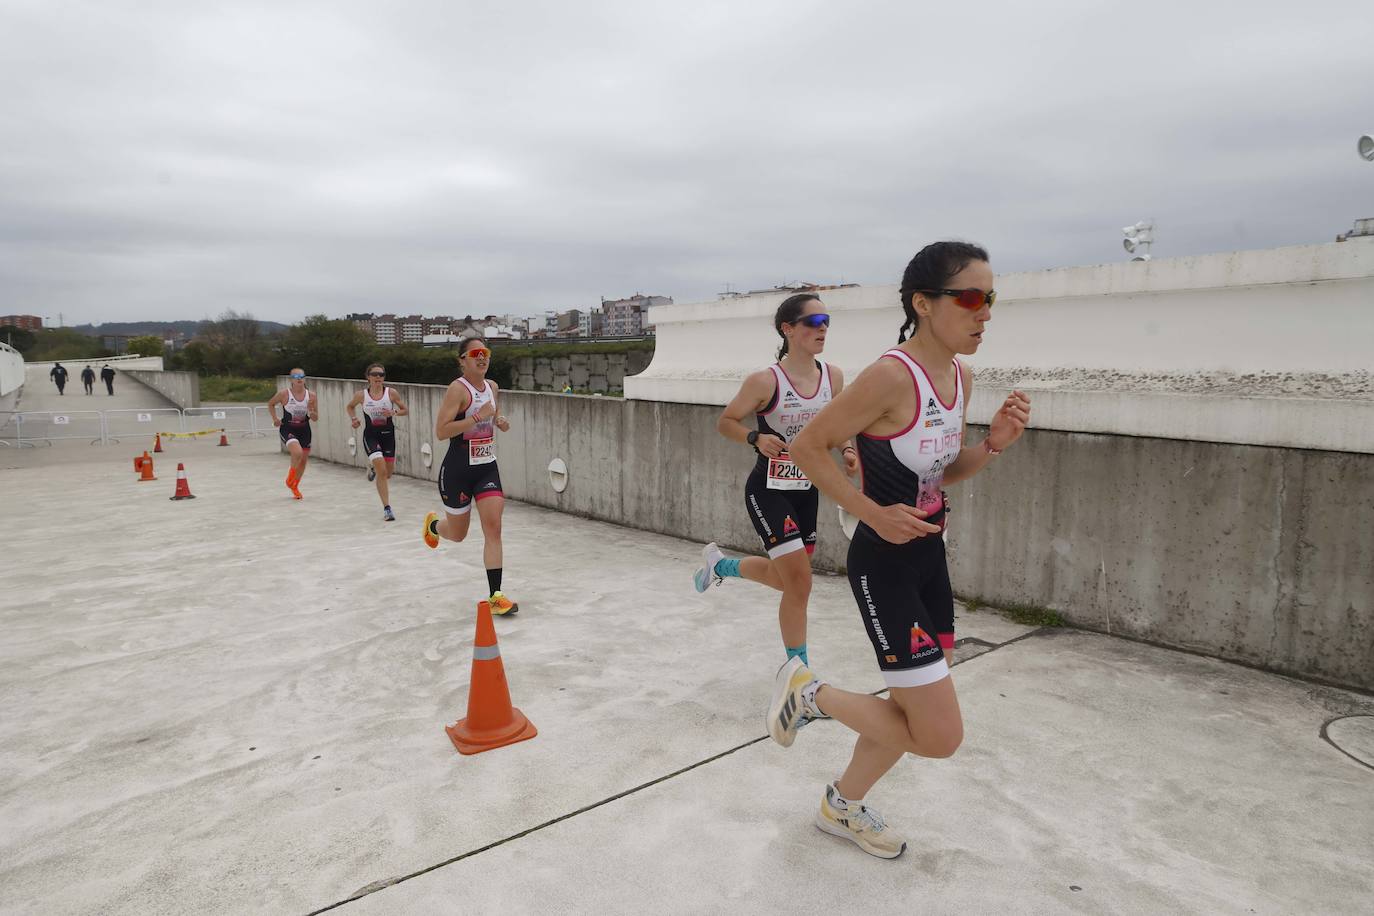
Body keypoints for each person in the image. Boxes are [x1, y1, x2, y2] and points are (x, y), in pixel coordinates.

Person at [769, 241, 1032, 859]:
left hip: (929, 561)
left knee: (907, 710)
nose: (984, 312)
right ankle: (807, 692)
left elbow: (940, 473)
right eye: (970, 297)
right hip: (883, 564)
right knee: (938, 736)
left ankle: (842, 806)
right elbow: (809, 445)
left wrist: (993, 445)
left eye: (990, 297)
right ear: (923, 303)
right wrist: (871, 514)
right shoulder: (889, 376)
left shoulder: (961, 377)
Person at [693, 293, 856, 670]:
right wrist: (755, 438)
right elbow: (726, 421)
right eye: (814, 323)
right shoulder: (766, 381)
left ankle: (720, 567)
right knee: (800, 584)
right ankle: (799, 677)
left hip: (808, 490)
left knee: (788, 581)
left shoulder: (833, 377)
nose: (823, 329)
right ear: (788, 329)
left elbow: (839, 423)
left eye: (826, 321)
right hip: (768, 491)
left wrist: (847, 449)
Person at [421, 338, 519, 615]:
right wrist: (478, 418)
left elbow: (492, 414)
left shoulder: (492, 387)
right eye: (475, 353)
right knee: (458, 534)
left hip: (486, 466)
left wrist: (499, 420)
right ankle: (433, 527)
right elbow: (442, 431)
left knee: (494, 527)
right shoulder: (457, 390)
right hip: (458, 469)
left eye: (485, 353)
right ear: (462, 360)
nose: (482, 358)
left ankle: (496, 596)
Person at [346, 363, 409, 522]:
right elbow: (350, 406)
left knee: (387, 473)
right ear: (368, 377)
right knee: (382, 470)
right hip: (371, 436)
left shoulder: (391, 393)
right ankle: (387, 508)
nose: (378, 378)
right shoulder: (362, 395)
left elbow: (405, 410)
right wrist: (354, 419)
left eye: (381, 375)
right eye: (374, 374)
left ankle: (372, 467)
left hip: (388, 435)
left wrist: (393, 412)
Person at [266, 369, 318, 499]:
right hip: (288, 428)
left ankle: (295, 486)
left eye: (301, 376)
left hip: (304, 429)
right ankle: (290, 478)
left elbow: (316, 418)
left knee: (303, 460)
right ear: (291, 380)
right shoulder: (284, 394)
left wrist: (312, 412)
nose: (299, 379)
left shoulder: (311, 396)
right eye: (296, 376)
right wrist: (275, 419)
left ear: (304, 378)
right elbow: (271, 404)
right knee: (297, 453)